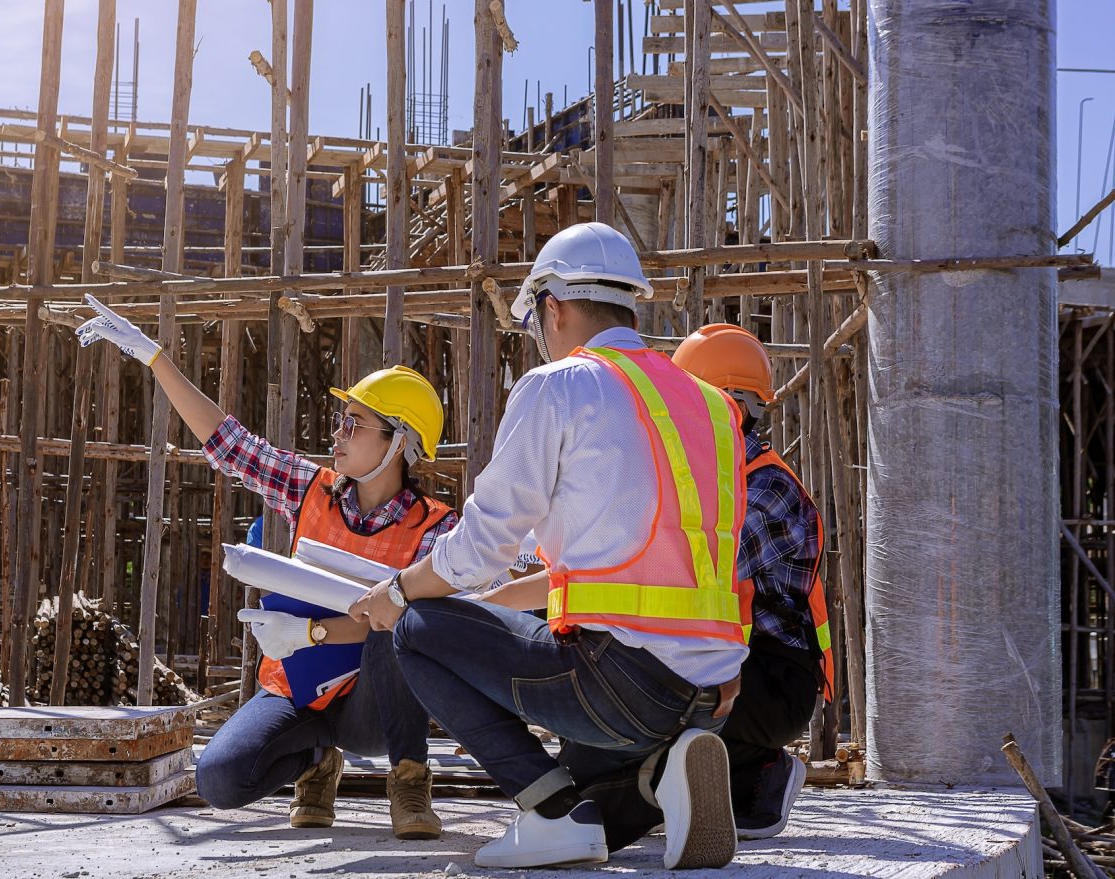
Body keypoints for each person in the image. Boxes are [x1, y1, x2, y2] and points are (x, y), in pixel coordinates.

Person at [348, 222, 750, 870]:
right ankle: (661, 772)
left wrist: (398, 588)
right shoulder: (708, 405)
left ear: (554, 308)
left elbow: (479, 545)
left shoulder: (557, 385)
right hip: (711, 688)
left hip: (617, 684)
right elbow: (645, 543)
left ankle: (550, 813)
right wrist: (507, 592)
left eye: (536, 318)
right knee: (600, 811)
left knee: (420, 628)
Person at [75, 295, 454, 840]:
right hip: (299, 691)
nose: (337, 435)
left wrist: (310, 632)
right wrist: (157, 359)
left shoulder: (434, 529)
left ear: (398, 442)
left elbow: (411, 620)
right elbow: (231, 445)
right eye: (340, 422)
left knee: (401, 616)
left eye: (354, 424)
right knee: (220, 779)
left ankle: (410, 779)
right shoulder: (312, 490)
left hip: (374, 708)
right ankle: (316, 761)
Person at [569, 323, 836, 851]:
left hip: (770, 678)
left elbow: (692, 570)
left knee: (635, 709)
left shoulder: (766, 488)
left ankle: (751, 767)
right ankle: (740, 772)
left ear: (729, 407)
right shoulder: (704, 483)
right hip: (722, 659)